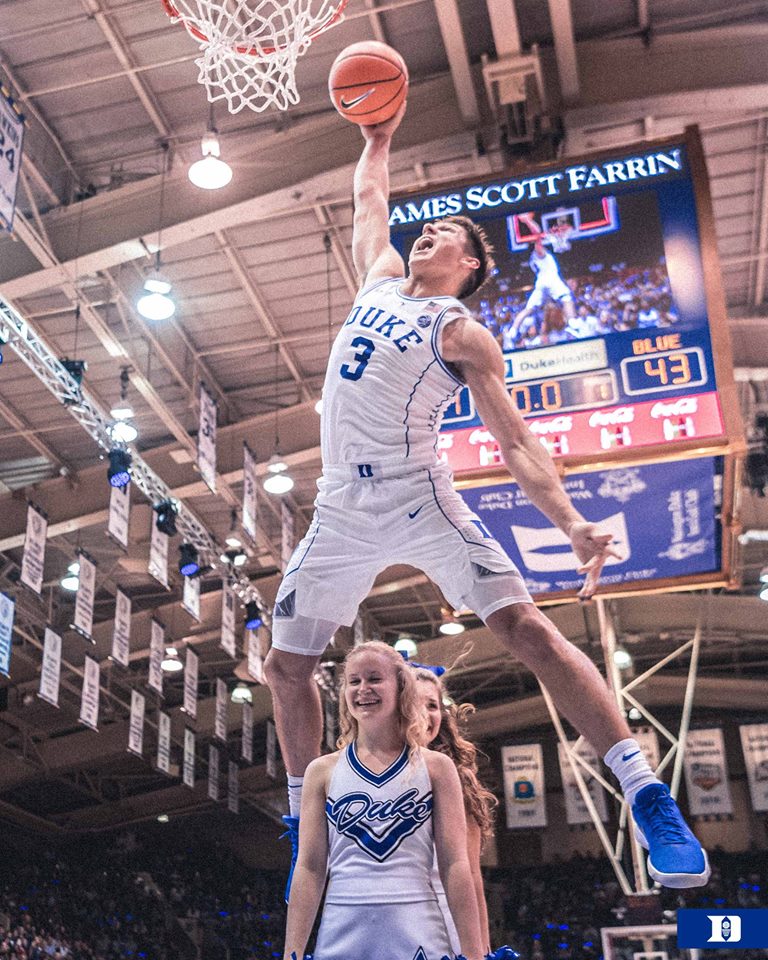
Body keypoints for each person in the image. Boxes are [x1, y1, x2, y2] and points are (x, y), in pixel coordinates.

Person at [264, 101, 710, 901]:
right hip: (338, 505)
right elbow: (371, 201)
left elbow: (515, 443)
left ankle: (648, 794)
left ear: (469, 265)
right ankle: (307, 816)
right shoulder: (377, 281)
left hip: (418, 496)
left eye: (445, 236)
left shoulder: (460, 331)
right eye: (426, 229)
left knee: (527, 628)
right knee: (284, 666)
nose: (426, 234)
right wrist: (377, 138)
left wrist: (572, 522)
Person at [282, 642, 484, 960]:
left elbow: (456, 865)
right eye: (354, 681)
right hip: (341, 930)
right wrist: (290, 953)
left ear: (400, 687)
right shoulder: (321, 772)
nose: (364, 689)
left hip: (419, 930)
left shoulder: (436, 768)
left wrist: (474, 954)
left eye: (374, 678)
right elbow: (309, 868)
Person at [413, 664, 497, 956]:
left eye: (433, 705)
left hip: (446, 921)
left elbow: (472, 876)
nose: (425, 713)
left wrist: (482, 949)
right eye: (415, 703)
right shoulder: (354, 773)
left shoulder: (458, 779)